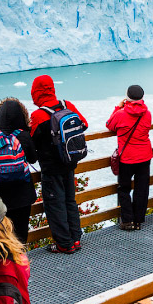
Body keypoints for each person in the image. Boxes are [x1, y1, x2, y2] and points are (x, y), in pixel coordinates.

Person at [30, 74, 89, 253]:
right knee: (70, 200)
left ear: (36, 93)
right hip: (69, 162)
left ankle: (64, 244)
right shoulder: (67, 105)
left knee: (55, 204)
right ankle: (75, 239)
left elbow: (31, 141)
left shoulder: (38, 115)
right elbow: (83, 124)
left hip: (51, 168)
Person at [0, 98, 38, 243]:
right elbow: (33, 159)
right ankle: (21, 262)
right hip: (24, 194)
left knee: (2, 234)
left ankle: (6, 263)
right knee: (21, 233)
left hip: (0, 195)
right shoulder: (23, 135)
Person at [107, 85, 153, 229]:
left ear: (127, 97)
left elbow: (110, 125)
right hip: (144, 156)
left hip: (127, 157)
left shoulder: (121, 114)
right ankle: (138, 220)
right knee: (142, 189)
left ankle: (127, 221)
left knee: (124, 188)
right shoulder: (147, 114)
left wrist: (118, 107)